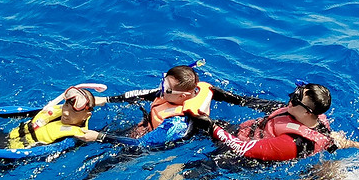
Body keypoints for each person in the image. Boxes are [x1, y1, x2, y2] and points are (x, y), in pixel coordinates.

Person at [114, 64, 276, 141]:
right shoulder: (170, 93)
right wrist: (105, 100)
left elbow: (142, 145)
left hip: (154, 143)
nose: (161, 90)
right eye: (163, 83)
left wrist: (101, 138)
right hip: (145, 127)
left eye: (166, 89)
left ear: (183, 96)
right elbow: (143, 94)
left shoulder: (176, 123)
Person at [201, 83, 336, 161]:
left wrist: (211, 127)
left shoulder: (293, 143)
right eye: (294, 94)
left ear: (307, 112)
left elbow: (243, 149)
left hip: (244, 158)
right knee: (196, 124)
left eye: (295, 100)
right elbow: (256, 104)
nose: (290, 100)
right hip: (241, 133)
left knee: (197, 169)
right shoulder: (295, 110)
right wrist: (225, 96)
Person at [0, 85, 112, 158]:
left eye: (74, 111)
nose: (66, 111)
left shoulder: (73, 137)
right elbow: (25, 111)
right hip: (2, 138)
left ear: (86, 116)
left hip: (4, 156)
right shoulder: (58, 111)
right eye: (66, 105)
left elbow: (36, 152)